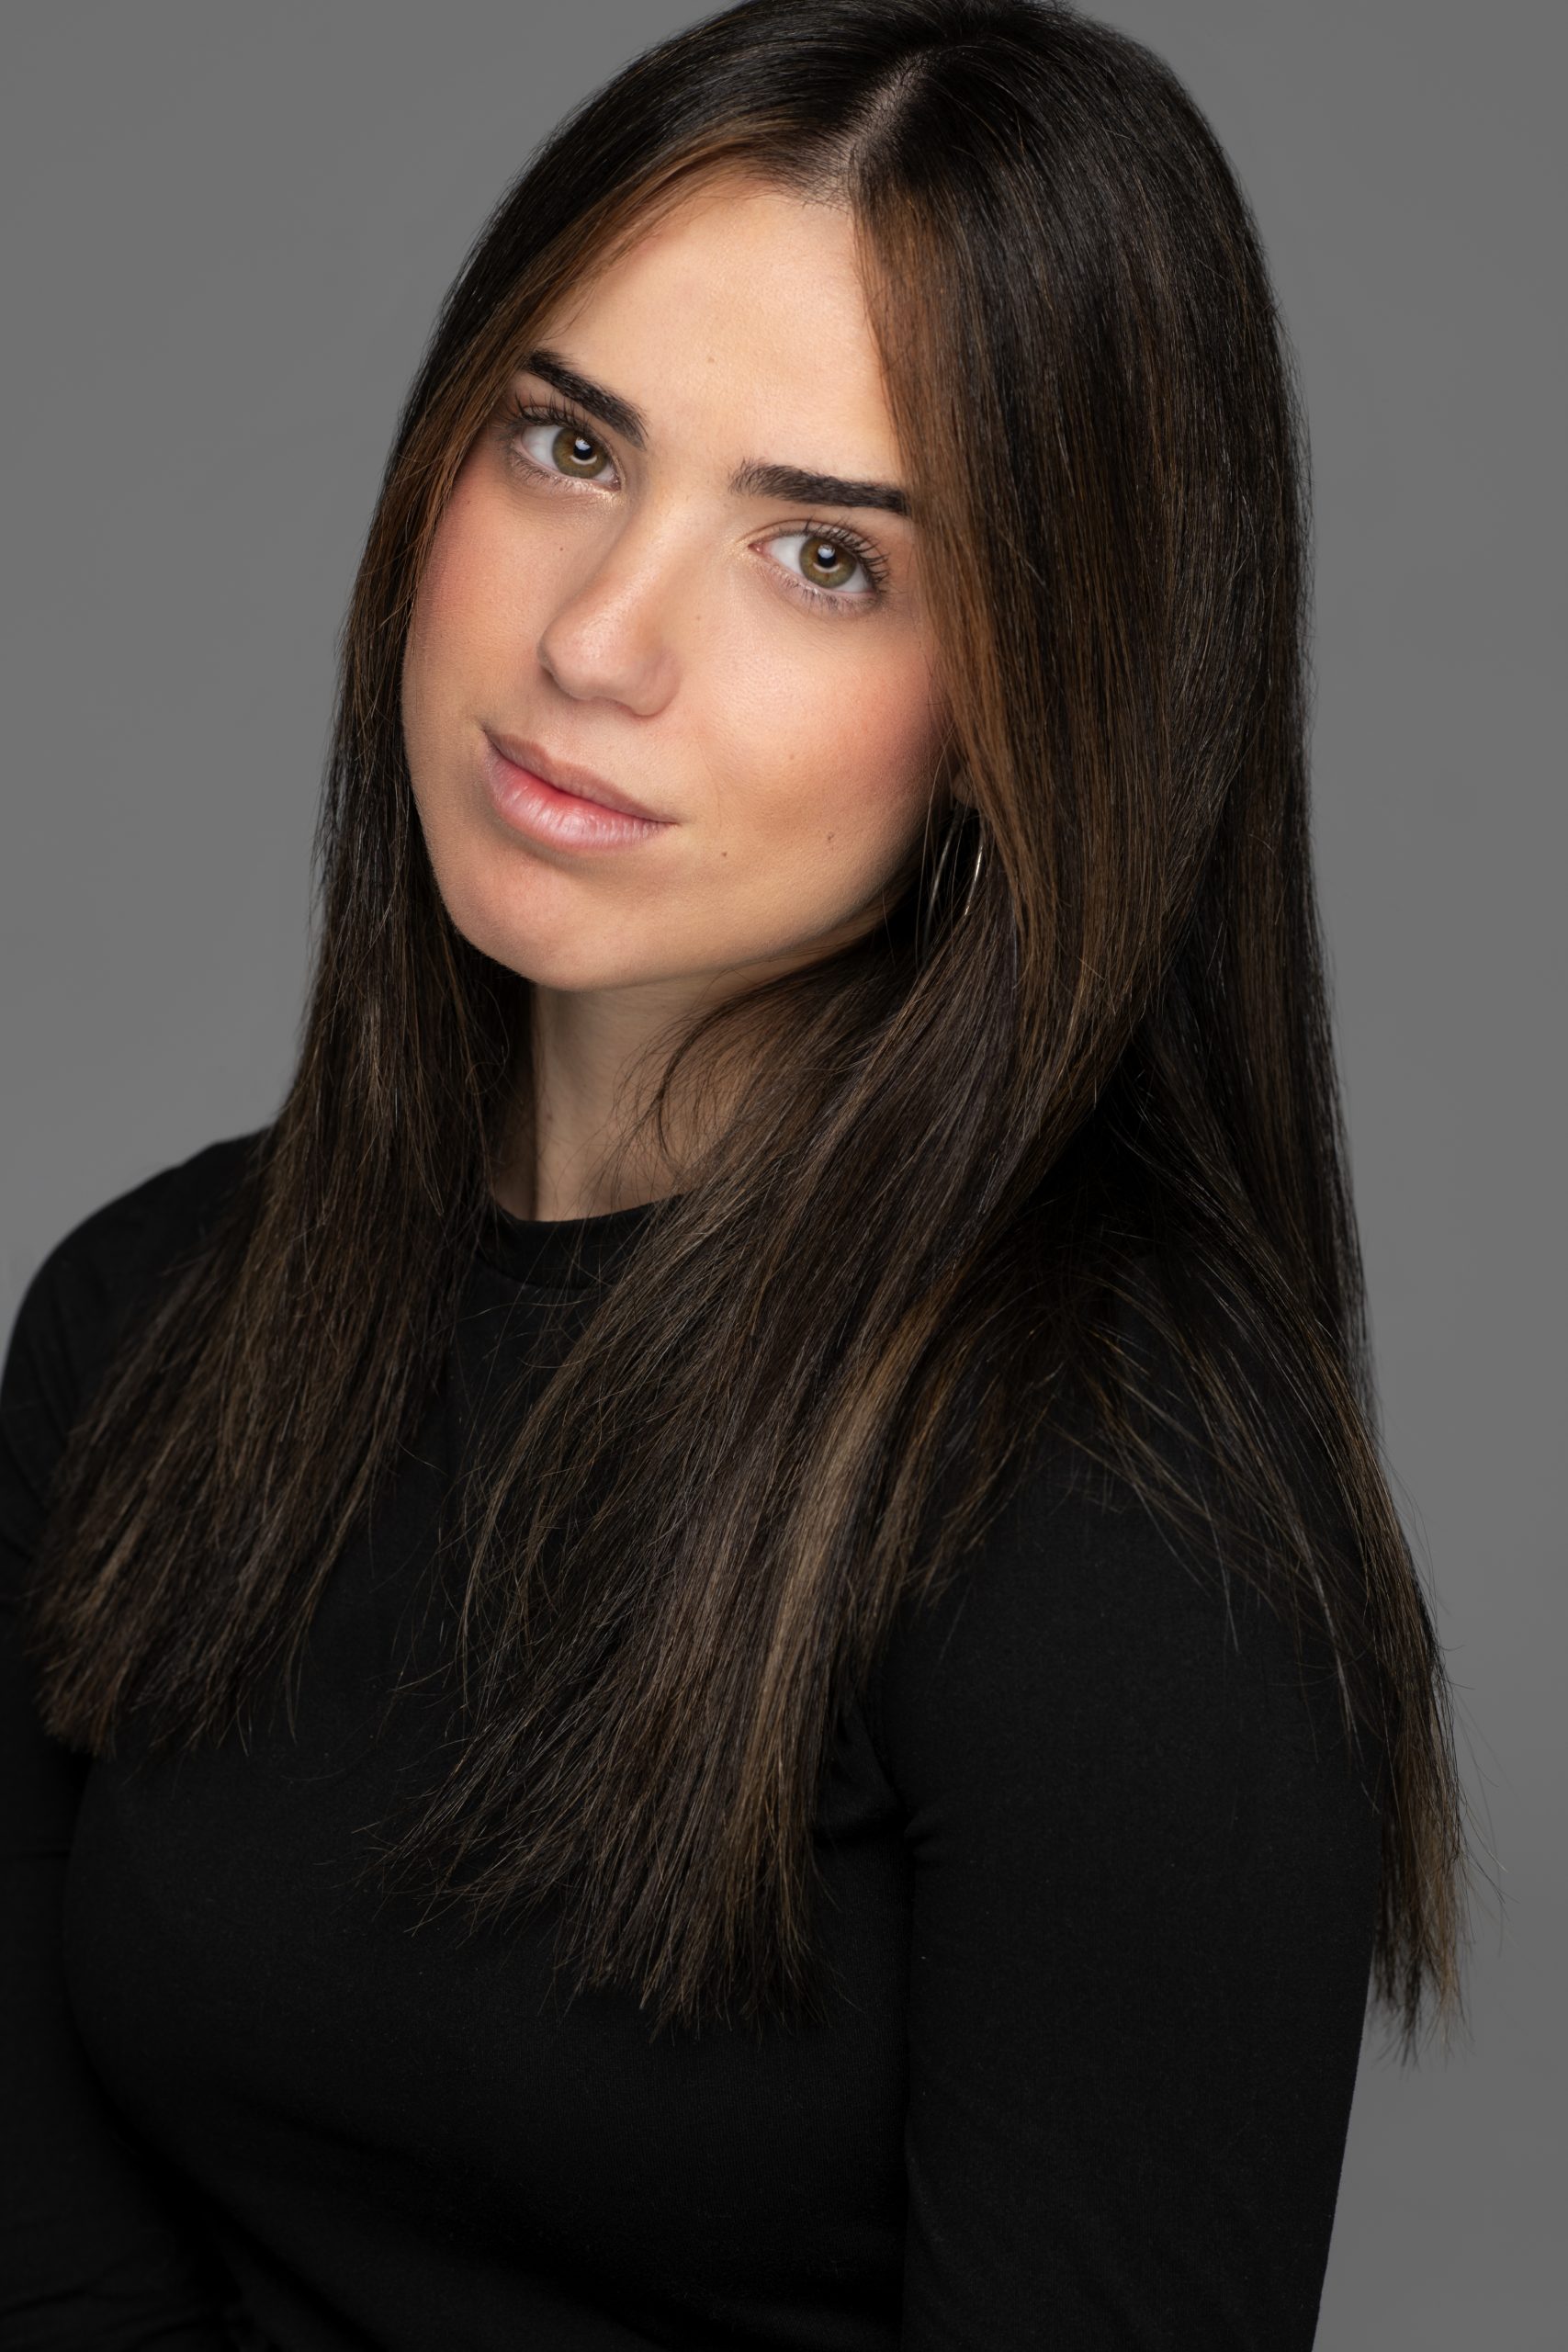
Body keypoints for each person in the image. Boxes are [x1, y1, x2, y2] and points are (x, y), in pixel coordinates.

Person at [0, 2, 1472, 2346]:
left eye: (820, 555)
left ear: (1022, 708)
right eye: (568, 442)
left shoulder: (1117, 1523)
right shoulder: (143, 1323)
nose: (595, 637)